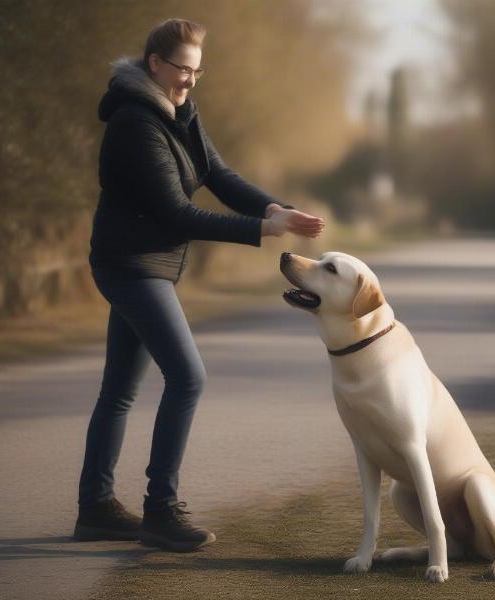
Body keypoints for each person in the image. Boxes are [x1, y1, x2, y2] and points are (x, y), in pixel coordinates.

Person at [73, 18, 324, 552]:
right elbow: (178, 212)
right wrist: (262, 230)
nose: (189, 80)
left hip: (153, 264)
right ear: (154, 64)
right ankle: (160, 512)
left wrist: (272, 207)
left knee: (120, 388)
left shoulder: (178, 112)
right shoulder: (136, 123)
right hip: (130, 265)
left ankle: (94, 508)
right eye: (181, 68)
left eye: (196, 70)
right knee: (188, 378)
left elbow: (218, 174)